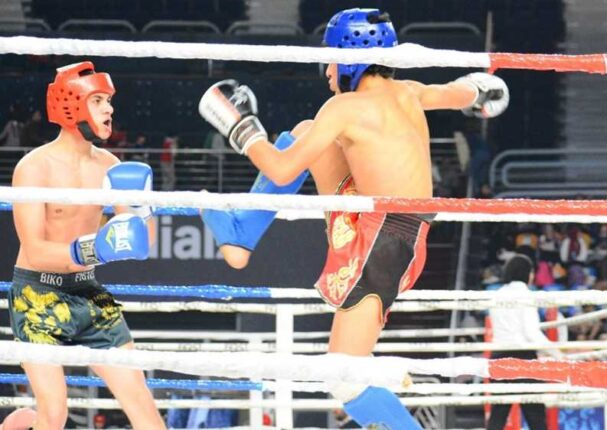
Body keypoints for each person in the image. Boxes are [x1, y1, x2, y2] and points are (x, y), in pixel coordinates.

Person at [198, 8, 509, 428]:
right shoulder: (408, 92)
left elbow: (282, 170)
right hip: (384, 226)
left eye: (331, 59)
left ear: (349, 59)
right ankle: (241, 234)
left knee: (344, 377)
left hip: (383, 244)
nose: (327, 71)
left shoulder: (344, 107)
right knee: (306, 131)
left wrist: (242, 127)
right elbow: (455, 92)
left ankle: (240, 233)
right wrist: (479, 90)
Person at [6, 61, 164, 429]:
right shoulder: (34, 168)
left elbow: (144, 243)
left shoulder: (111, 166)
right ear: (71, 105)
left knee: (142, 404)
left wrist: (143, 210)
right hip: (36, 294)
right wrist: (94, 249)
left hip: (87, 290)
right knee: (53, 415)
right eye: (98, 101)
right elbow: (36, 250)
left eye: (109, 101)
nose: (109, 109)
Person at [486, 255, 560, 430]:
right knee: (535, 415)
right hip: (522, 356)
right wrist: (557, 352)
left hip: (499, 357)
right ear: (526, 273)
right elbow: (531, 333)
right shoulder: (525, 295)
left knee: (498, 415)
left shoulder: (497, 295)